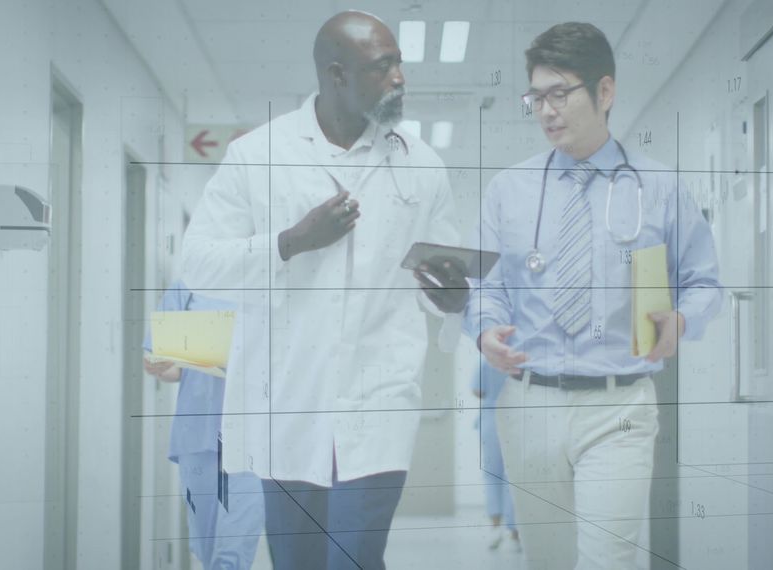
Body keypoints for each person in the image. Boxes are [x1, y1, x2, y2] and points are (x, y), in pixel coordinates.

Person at [178, 10, 468, 569]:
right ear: (336, 74)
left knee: (355, 557)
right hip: (288, 401)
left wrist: (451, 298)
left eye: (399, 64)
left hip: (379, 401)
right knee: (298, 563)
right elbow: (198, 263)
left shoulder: (422, 164)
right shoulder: (258, 155)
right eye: (383, 67)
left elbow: (437, 278)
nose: (400, 78)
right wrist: (291, 241)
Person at [463, 22, 723, 569]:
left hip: (619, 402)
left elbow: (703, 283)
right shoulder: (508, 190)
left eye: (561, 94)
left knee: (610, 559)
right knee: (550, 560)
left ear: (604, 92)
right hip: (529, 404)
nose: (546, 110)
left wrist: (681, 320)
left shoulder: (660, 187)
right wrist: (485, 330)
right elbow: (486, 288)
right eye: (537, 96)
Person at [142, 281, 264, 569]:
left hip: (253, 435)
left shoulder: (265, 282)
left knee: (232, 551)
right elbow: (166, 365)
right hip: (198, 431)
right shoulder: (186, 286)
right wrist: (158, 364)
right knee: (206, 546)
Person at [470, 360, 520, 552]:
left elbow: (477, 391)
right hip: (515, 420)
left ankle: (495, 527)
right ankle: (515, 532)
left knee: (491, 475)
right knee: (512, 476)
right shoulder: (522, 359)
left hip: (491, 419)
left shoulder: (487, 361)